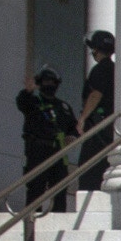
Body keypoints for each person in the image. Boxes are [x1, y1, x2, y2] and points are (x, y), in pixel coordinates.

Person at [16, 67, 79, 212]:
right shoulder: (33, 102)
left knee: (60, 188)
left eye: (52, 81)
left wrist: (73, 136)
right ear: (40, 83)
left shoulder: (63, 107)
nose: (49, 84)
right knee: (35, 188)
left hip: (58, 151)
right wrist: (28, 91)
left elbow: (73, 128)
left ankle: (59, 219)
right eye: (46, 81)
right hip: (38, 150)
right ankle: (31, 219)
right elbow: (22, 103)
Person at [77, 29, 118, 195]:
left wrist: (82, 118)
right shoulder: (115, 69)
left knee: (90, 167)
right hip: (109, 127)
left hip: (98, 128)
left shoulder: (100, 69)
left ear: (95, 49)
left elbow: (96, 94)